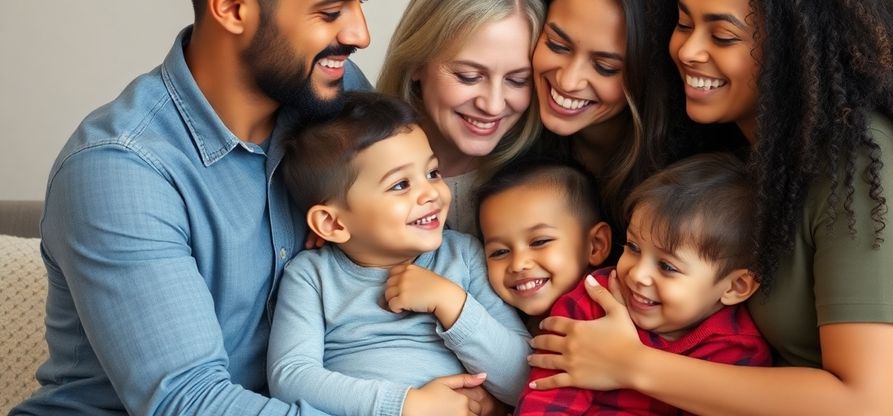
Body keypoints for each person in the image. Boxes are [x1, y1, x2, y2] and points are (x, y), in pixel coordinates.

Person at [524, 0, 893, 415]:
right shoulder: (743, 158)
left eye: (722, 36)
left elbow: (864, 403)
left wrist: (631, 365)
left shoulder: (864, 158)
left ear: (789, 48)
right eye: (682, 24)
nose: (688, 51)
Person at [12, 0, 378, 414]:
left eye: (361, 2)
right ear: (231, 6)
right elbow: (189, 402)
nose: (361, 34)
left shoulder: (333, 97)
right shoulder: (120, 169)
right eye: (331, 11)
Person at [269, 92, 532, 416]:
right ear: (332, 222)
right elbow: (291, 378)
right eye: (400, 185)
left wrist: (451, 303)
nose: (431, 193)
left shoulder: (462, 256)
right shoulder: (311, 276)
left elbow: (524, 378)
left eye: (433, 173)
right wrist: (407, 405)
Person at [517, 153, 772, 415]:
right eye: (633, 247)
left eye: (667, 266)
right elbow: (546, 400)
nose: (637, 274)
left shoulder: (738, 352)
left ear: (735, 287)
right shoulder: (592, 300)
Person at [377, 0, 545, 235]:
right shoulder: (350, 164)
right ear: (416, 62)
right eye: (469, 76)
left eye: (518, 80)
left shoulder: (547, 184)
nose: (493, 105)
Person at [530, 0, 682, 244]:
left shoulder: (682, 182)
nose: (568, 81)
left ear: (649, 73)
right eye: (557, 45)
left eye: (606, 67)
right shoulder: (503, 130)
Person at [475, 158, 612, 334]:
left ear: (595, 245)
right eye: (500, 252)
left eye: (539, 242)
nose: (518, 264)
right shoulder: (500, 322)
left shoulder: (612, 313)